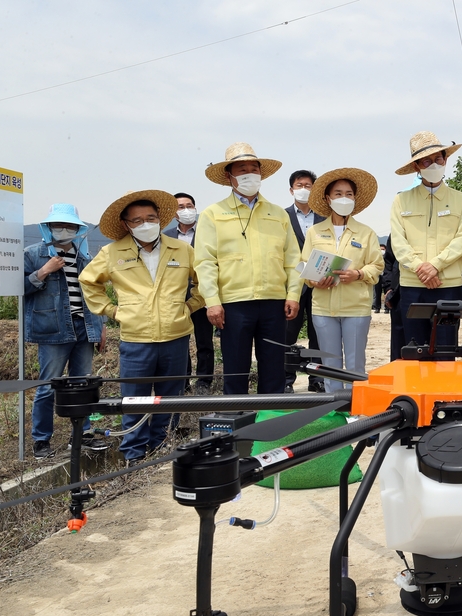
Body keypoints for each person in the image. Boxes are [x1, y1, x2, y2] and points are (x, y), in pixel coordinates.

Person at [80, 190, 204, 464]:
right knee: (134, 400)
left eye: (150, 217)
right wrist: (112, 310)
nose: (145, 224)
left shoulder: (182, 249)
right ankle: (133, 454)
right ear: (126, 224)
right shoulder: (112, 252)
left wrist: (191, 306)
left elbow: (204, 279)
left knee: (170, 398)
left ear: (160, 219)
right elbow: (89, 281)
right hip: (136, 339)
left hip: (176, 336)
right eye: (137, 220)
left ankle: (162, 448)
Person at [194, 142, 302, 395]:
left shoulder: (278, 214)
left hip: (274, 302)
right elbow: (205, 261)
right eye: (242, 170)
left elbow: (292, 259)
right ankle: (237, 421)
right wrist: (212, 301)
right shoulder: (214, 214)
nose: (249, 175)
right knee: (235, 367)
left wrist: (293, 294)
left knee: (274, 367)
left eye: (254, 169)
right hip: (233, 304)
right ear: (229, 176)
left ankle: (271, 422)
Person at [23, 204, 106, 459]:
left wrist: (101, 328)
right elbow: (20, 289)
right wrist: (44, 271)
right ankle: (41, 440)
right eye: (58, 225)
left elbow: (95, 295)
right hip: (53, 329)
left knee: (85, 384)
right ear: (48, 228)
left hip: (83, 327)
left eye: (70, 226)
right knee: (48, 386)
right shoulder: (33, 254)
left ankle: (83, 434)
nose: (64, 230)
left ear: (77, 229)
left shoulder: (84, 258)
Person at [301, 168, 384, 391]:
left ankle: (357, 412)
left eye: (349, 194)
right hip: (323, 308)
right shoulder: (315, 232)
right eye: (338, 194)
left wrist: (358, 274)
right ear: (328, 199)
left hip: (355, 307)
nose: (343, 198)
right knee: (330, 364)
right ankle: (335, 412)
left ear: (355, 199)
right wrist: (314, 281)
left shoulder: (366, 233)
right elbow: (304, 264)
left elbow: (377, 265)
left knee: (356, 363)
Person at [389, 131, 462, 348]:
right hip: (412, 286)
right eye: (426, 160)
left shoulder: (461, 200)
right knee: (415, 349)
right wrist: (421, 268)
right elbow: (398, 243)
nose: (434, 164)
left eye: (438, 159)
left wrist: (435, 266)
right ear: (416, 166)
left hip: (449, 284)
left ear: (446, 160)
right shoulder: (401, 201)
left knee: (446, 349)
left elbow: (461, 239)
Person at [165, 193, 214, 394]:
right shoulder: (166, 237)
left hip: (202, 295)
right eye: (181, 207)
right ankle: (183, 381)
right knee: (179, 341)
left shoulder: (208, 231)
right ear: (174, 213)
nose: (186, 210)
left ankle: (204, 381)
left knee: (204, 340)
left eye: (189, 205)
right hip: (175, 297)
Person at [283, 170, 327, 393]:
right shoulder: (282, 217)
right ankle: (286, 379)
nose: (303, 189)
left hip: (320, 284)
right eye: (299, 185)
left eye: (308, 185)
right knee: (288, 333)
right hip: (293, 284)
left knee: (318, 333)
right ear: (291, 190)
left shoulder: (325, 217)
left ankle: (317, 378)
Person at [381, 234, 406, 359]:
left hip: (428, 288)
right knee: (399, 339)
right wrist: (389, 287)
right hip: (398, 292)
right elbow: (389, 261)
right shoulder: (396, 232)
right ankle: (399, 376)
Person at [373, 243, 386, 313]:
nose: (382, 251)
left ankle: (387, 308)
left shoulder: (387, 258)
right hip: (378, 276)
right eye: (380, 250)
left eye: (383, 249)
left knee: (386, 291)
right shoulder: (376, 258)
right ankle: (377, 307)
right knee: (377, 292)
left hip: (385, 276)